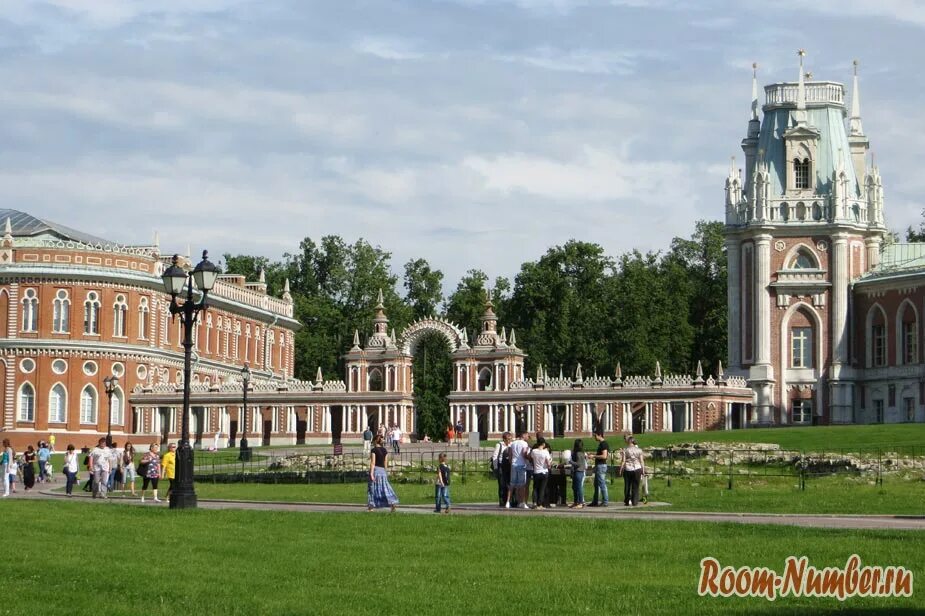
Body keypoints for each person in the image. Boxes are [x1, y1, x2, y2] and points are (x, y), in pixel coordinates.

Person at [367, 435, 398, 512]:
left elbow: (373, 463)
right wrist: (385, 472)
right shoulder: (385, 450)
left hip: (376, 471)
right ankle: (392, 502)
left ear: (374, 441)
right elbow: (385, 463)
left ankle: (371, 507)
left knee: (372, 488)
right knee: (385, 488)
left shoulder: (374, 450)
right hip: (383, 471)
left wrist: (371, 473)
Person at [505, 430, 530, 509]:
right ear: (524, 435)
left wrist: (511, 462)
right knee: (522, 485)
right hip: (521, 464)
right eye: (527, 435)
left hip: (513, 464)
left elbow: (510, 454)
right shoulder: (524, 443)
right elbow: (524, 453)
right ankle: (522, 502)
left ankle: (508, 502)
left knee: (512, 484)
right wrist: (530, 458)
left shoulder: (513, 443)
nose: (528, 437)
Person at [619, 436, 646, 507]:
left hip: (628, 468)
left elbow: (623, 461)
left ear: (629, 442)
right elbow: (641, 461)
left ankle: (627, 500)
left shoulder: (625, 450)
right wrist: (643, 469)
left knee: (627, 485)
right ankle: (635, 501)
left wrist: (621, 469)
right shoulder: (639, 450)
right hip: (637, 468)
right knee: (636, 485)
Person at [587, 432, 609, 507]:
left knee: (602, 484)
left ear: (600, 435)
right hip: (598, 466)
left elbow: (604, 456)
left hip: (601, 466)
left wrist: (594, 456)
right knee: (596, 484)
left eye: (595, 435)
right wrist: (593, 454)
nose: (594, 437)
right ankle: (595, 501)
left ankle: (605, 501)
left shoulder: (604, 444)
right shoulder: (601, 444)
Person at [491, 432, 512, 507]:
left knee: (508, 484)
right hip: (501, 466)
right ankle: (501, 500)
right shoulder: (499, 445)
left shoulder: (511, 445)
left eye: (510, 439)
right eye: (508, 439)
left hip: (508, 466)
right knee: (501, 484)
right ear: (504, 439)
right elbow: (495, 456)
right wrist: (496, 467)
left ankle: (508, 500)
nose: (509, 441)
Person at [530, 438, 551, 509]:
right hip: (544, 471)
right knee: (542, 489)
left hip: (536, 471)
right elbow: (548, 463)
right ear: (543, 444)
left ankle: (534, 503)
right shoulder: (545, 452)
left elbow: (532, 458)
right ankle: (540, 504)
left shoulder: (534, 451)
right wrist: (549, 463)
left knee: (535, 488)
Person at [569, 438, 587, 508]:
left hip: (579, 471)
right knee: (575, 487)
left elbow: (578, 464)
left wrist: (570, 461)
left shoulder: (578, 453)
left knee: (579, 487)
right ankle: (576, 502)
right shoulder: (581, 452)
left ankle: (580, 502)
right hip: (578, 471)